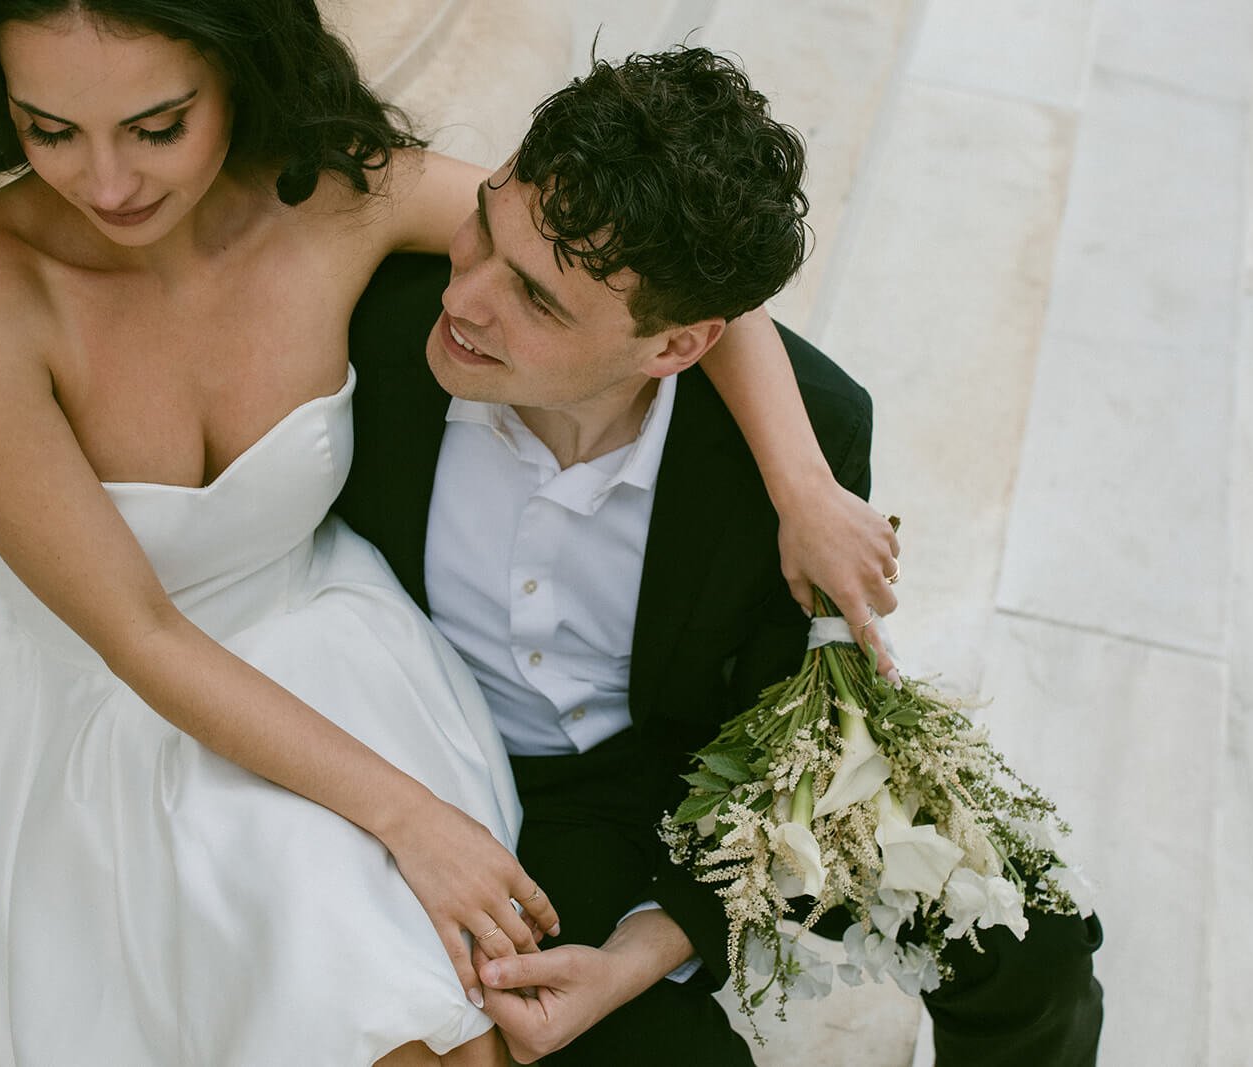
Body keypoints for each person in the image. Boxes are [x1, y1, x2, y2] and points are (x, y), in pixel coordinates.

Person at [0, 3, 898, 1064]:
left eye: (157, 125)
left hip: (340, 651)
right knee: (369, 1006)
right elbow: (140, 633)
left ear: (235, 72)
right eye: (47, 128)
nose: (104, 182)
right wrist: (412, 819)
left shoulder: (341, 194)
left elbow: (667, 271)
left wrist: (801, 486)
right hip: (119, 694)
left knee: (461, 1019)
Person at [335, 48, 1105, 1066]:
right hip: (480, 789)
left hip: (705, 764)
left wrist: (644, 947)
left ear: (676, 346)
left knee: (1025, 932)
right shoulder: (370, 335)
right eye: (481, 225)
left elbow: (785, 736)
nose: (463, 298)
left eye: (534, 297)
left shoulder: (810, 434)